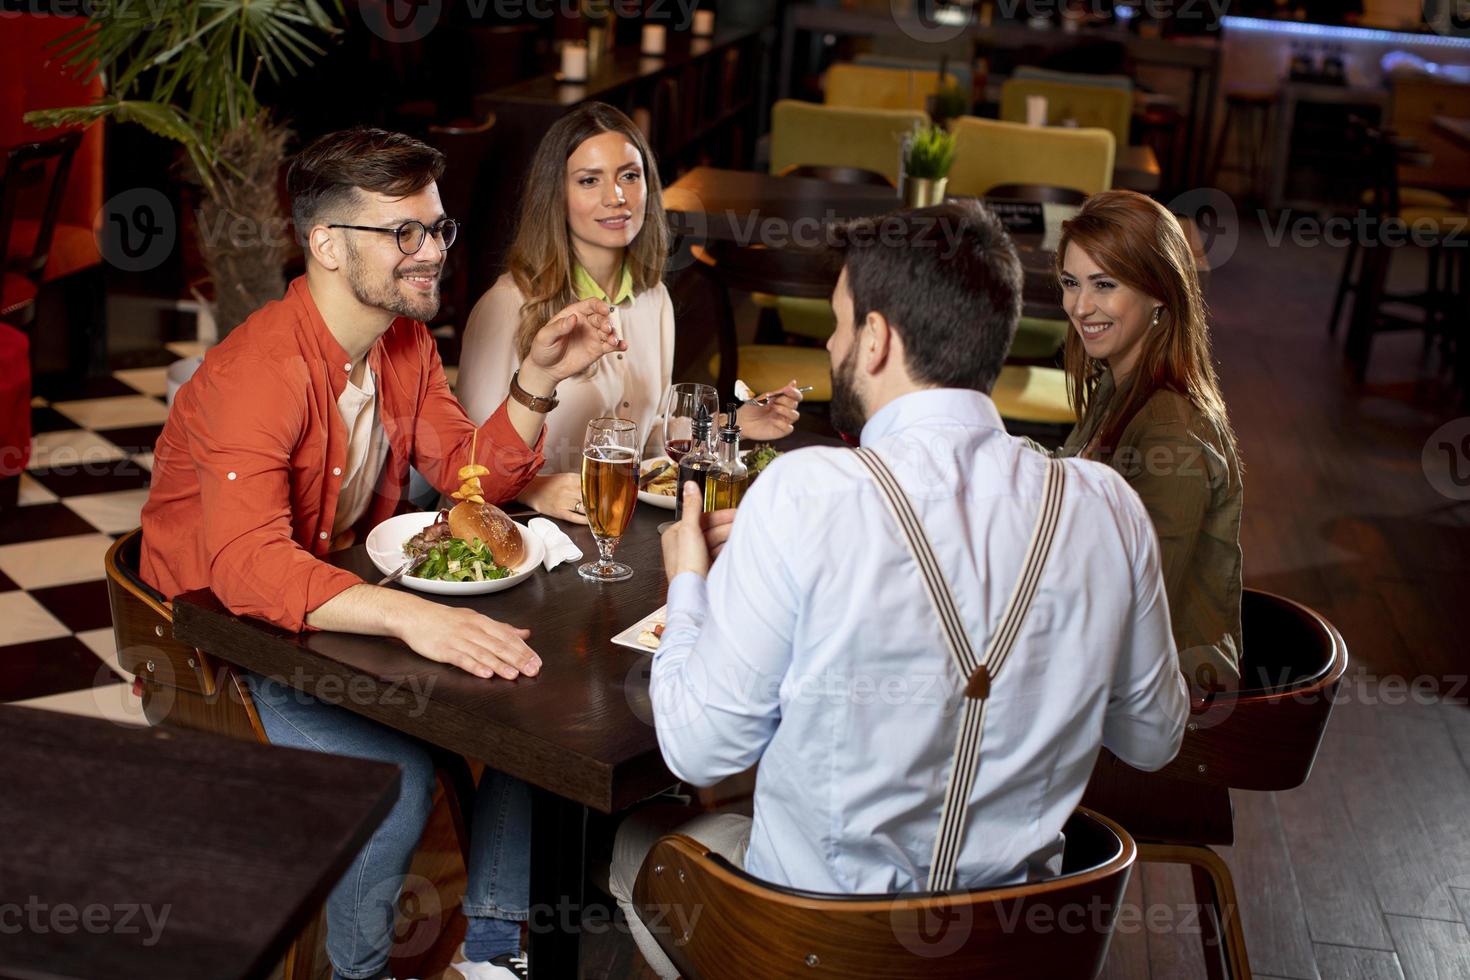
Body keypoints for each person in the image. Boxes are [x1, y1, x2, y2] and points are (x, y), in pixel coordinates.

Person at [606, 200, 1191, 978]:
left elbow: (701, 749)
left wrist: (688, 582)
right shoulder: (1107, 506)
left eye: (841, 323)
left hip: (812, 947)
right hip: (1021, 949)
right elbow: (1153, 740)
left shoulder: (807, 492)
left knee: (629, 842)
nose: (831, 342)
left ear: (877, 340)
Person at [140, 128, 624, 980]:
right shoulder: (257, 373)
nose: (430, 253)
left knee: (531, 699)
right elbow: (249, 567)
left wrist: (538, 379)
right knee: (394, 781)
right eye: (404, 233)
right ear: (326, 244)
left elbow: (468, 473)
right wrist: (412, 617)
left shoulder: (400, 342)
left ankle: (493, 953)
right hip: (220, 640)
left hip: (329, 613)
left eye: (436, 230)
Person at [456, 102, 803, 523]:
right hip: (521, 530)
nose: (616, 197)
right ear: (556, 196)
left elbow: (654, 443)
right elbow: (465, 463)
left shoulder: (653, 297)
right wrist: (534, 488)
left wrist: (734, 423)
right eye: (589, 180)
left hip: (614, 523)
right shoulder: (507, 305)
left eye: (629, 176)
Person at [1048, 189, 1244, 689]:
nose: (1080, 306)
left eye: (1104, 285)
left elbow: (1135, 606)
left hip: (1171, 702)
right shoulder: (1120, 383)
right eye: (1071, 283)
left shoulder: (1173, 431)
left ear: (1160, 291)